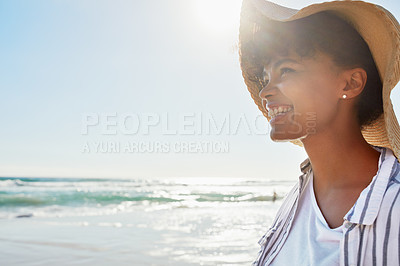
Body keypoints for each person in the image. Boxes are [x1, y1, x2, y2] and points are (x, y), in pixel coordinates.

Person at [238, 0, 400, 265]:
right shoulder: (295, 201)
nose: (266, 92)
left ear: (350, 83)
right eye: (266, 78)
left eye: (287, 70)